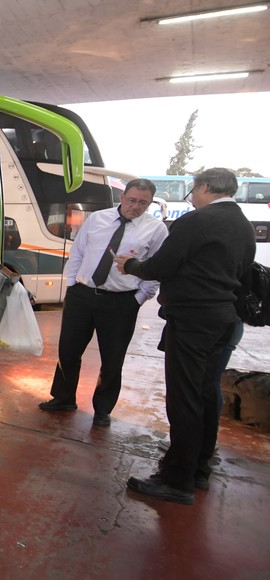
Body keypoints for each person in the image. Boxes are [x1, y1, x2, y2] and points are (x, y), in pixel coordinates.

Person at [114, 168, 255, 505]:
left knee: (184, 398)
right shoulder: (243, 225)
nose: (192, 198)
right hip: (223, 317)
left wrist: (130, 265)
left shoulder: (197, 221)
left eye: (193, 191)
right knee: (205, 393)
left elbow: (161, 266)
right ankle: (199, 468)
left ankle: (177, 479)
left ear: (205, 187)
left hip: (193, 319)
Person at [38, 178, 168, 427]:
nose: (136, 206)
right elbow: (78, 252)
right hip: (82, 296)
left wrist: (138, 299)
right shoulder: (98, 219)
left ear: (150, 203)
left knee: (112, 359)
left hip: (121, 302)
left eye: (143, 203)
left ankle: (102, 409)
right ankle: (64, 398)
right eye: (132, 200)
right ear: (122, 197)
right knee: (68, 350)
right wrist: (73, 284)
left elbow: (156, 269)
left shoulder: (156, 230)